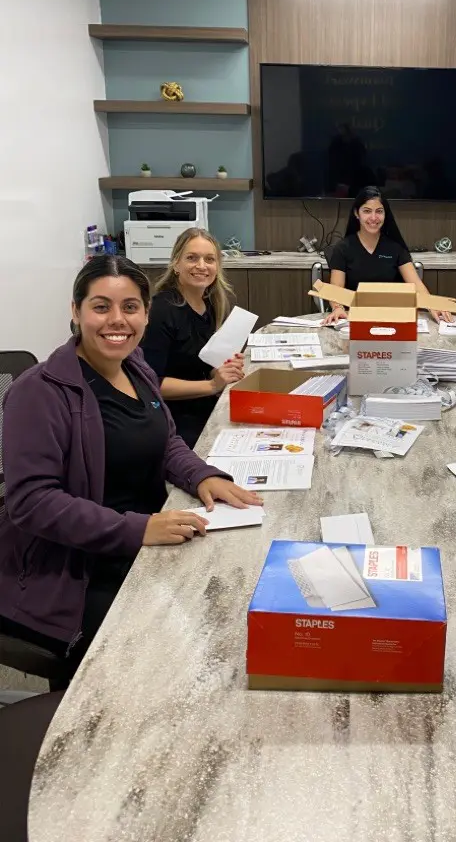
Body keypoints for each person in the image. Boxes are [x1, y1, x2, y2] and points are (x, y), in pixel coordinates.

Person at [0, 255, 261, 681]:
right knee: (170, 659)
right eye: (101, 306)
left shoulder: (135, 366)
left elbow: (166, 440)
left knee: (231, 601)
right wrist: (136, 529)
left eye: (130, 307)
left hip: (142, 534)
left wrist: (202, 474)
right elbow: (32, 502)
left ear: (145, 312)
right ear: (76, 311)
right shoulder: (39, 392)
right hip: (72, 568)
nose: (116, 320)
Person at [142, 228, 245, 448]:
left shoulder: (208, 304)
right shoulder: (161, 311)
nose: (201, 266)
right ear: (176, 265)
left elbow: (200, 363)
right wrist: (211, 385)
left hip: (204, 406)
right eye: (192, 258)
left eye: (210, 259)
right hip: (173, 421)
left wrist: (222, 369)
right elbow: (150, 384)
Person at [322, 186, 455, 325]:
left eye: (379, 211)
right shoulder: (342, 248)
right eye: (367, 211)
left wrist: (433, 304)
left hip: (392, 319)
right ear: (357, 213)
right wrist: (337, 308)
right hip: (354, 320)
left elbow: (416, 283)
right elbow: (336, 289)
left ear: (386, 214)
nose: (373, 218)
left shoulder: (395, 247)